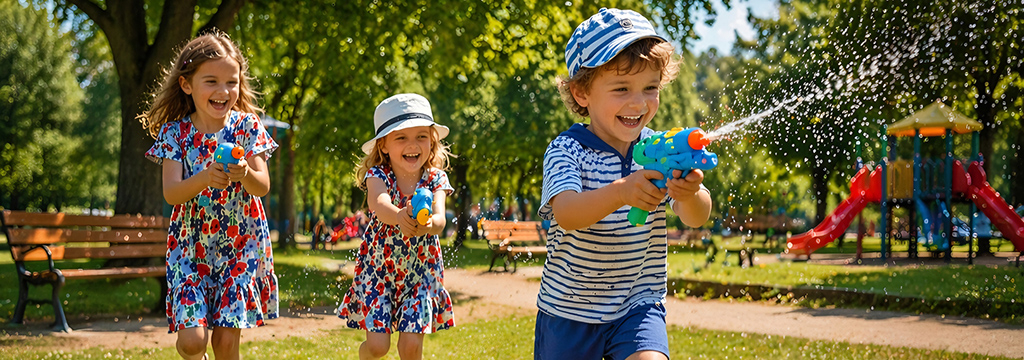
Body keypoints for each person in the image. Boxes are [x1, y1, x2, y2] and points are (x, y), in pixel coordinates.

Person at [536, 8, 713, 360]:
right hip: (569, 311)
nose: (639, 102)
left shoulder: (659, 149)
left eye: (650, 88)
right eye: (621, 88)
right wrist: (621, 191)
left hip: (638, 305)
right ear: (582, 93)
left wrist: (690, 193)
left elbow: (697, 216)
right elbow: (568, 213)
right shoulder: (566, 150)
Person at [139, 31, 278, 360]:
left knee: (226, 345)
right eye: (211, 81)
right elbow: (172, 193)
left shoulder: (247, 127)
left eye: (232, 82)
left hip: (238, 248)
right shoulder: (175, 133)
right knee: (192, 343)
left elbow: (262, 185)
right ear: (187, 84)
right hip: (190, 249)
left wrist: (244, 174)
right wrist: (203, 177)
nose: (223, 91)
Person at [338, 93, 456, 360]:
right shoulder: (378, 175)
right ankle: (365, 355)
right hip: (379, 272)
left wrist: (428, 225)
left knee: (410, 348)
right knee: (379, 347)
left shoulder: (436, 178)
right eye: (401, 137)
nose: (412, 145)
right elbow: (378, 203)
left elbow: (440, 219)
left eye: (421, 136)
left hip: (421, 274)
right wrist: (400, 214)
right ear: (383, 146)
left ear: (432, 140)